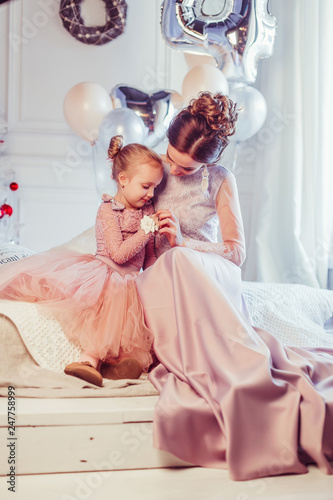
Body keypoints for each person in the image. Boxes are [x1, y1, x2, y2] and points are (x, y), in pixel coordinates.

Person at [134, 92, 333, 481]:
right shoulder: (150, 167)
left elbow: (235, 253)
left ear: (211, 162)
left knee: (182, 257)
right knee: (174, 260)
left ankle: (243, 372)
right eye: (171, 157)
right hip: (164, 275)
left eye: (188, 168)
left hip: (210, 269)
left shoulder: (221, 180)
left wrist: (183, 243)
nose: (174, 170)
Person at [0, 136, 163, 387]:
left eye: (155, 188)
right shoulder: (108, 210)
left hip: (132, 279)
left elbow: (149, 256)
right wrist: (145, 232)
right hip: (106, 272)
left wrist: (153, 279)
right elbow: (118, 254)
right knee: (111, 303)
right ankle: (89, 362)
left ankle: (119, 365)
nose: (152, 194)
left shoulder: (148, 212)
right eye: (146, 186)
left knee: (134, 318)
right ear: (123, 180)